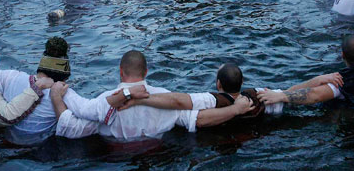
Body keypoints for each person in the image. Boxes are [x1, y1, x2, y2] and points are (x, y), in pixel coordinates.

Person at [49, 50, 255, 141]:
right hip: (159, 152)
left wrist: (58, 96)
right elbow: (198, 119)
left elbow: (71, 129)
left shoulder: (107, 102)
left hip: (115, 159)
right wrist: (234, 109)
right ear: (146, 72)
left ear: (120, 71)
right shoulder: (166, 99)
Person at [118, 63, 285, 121]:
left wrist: (141, 99)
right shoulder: (259, 95)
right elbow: (290, 93)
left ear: (218, 84)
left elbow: (178, 101)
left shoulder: (211, 100)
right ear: (242, 82)